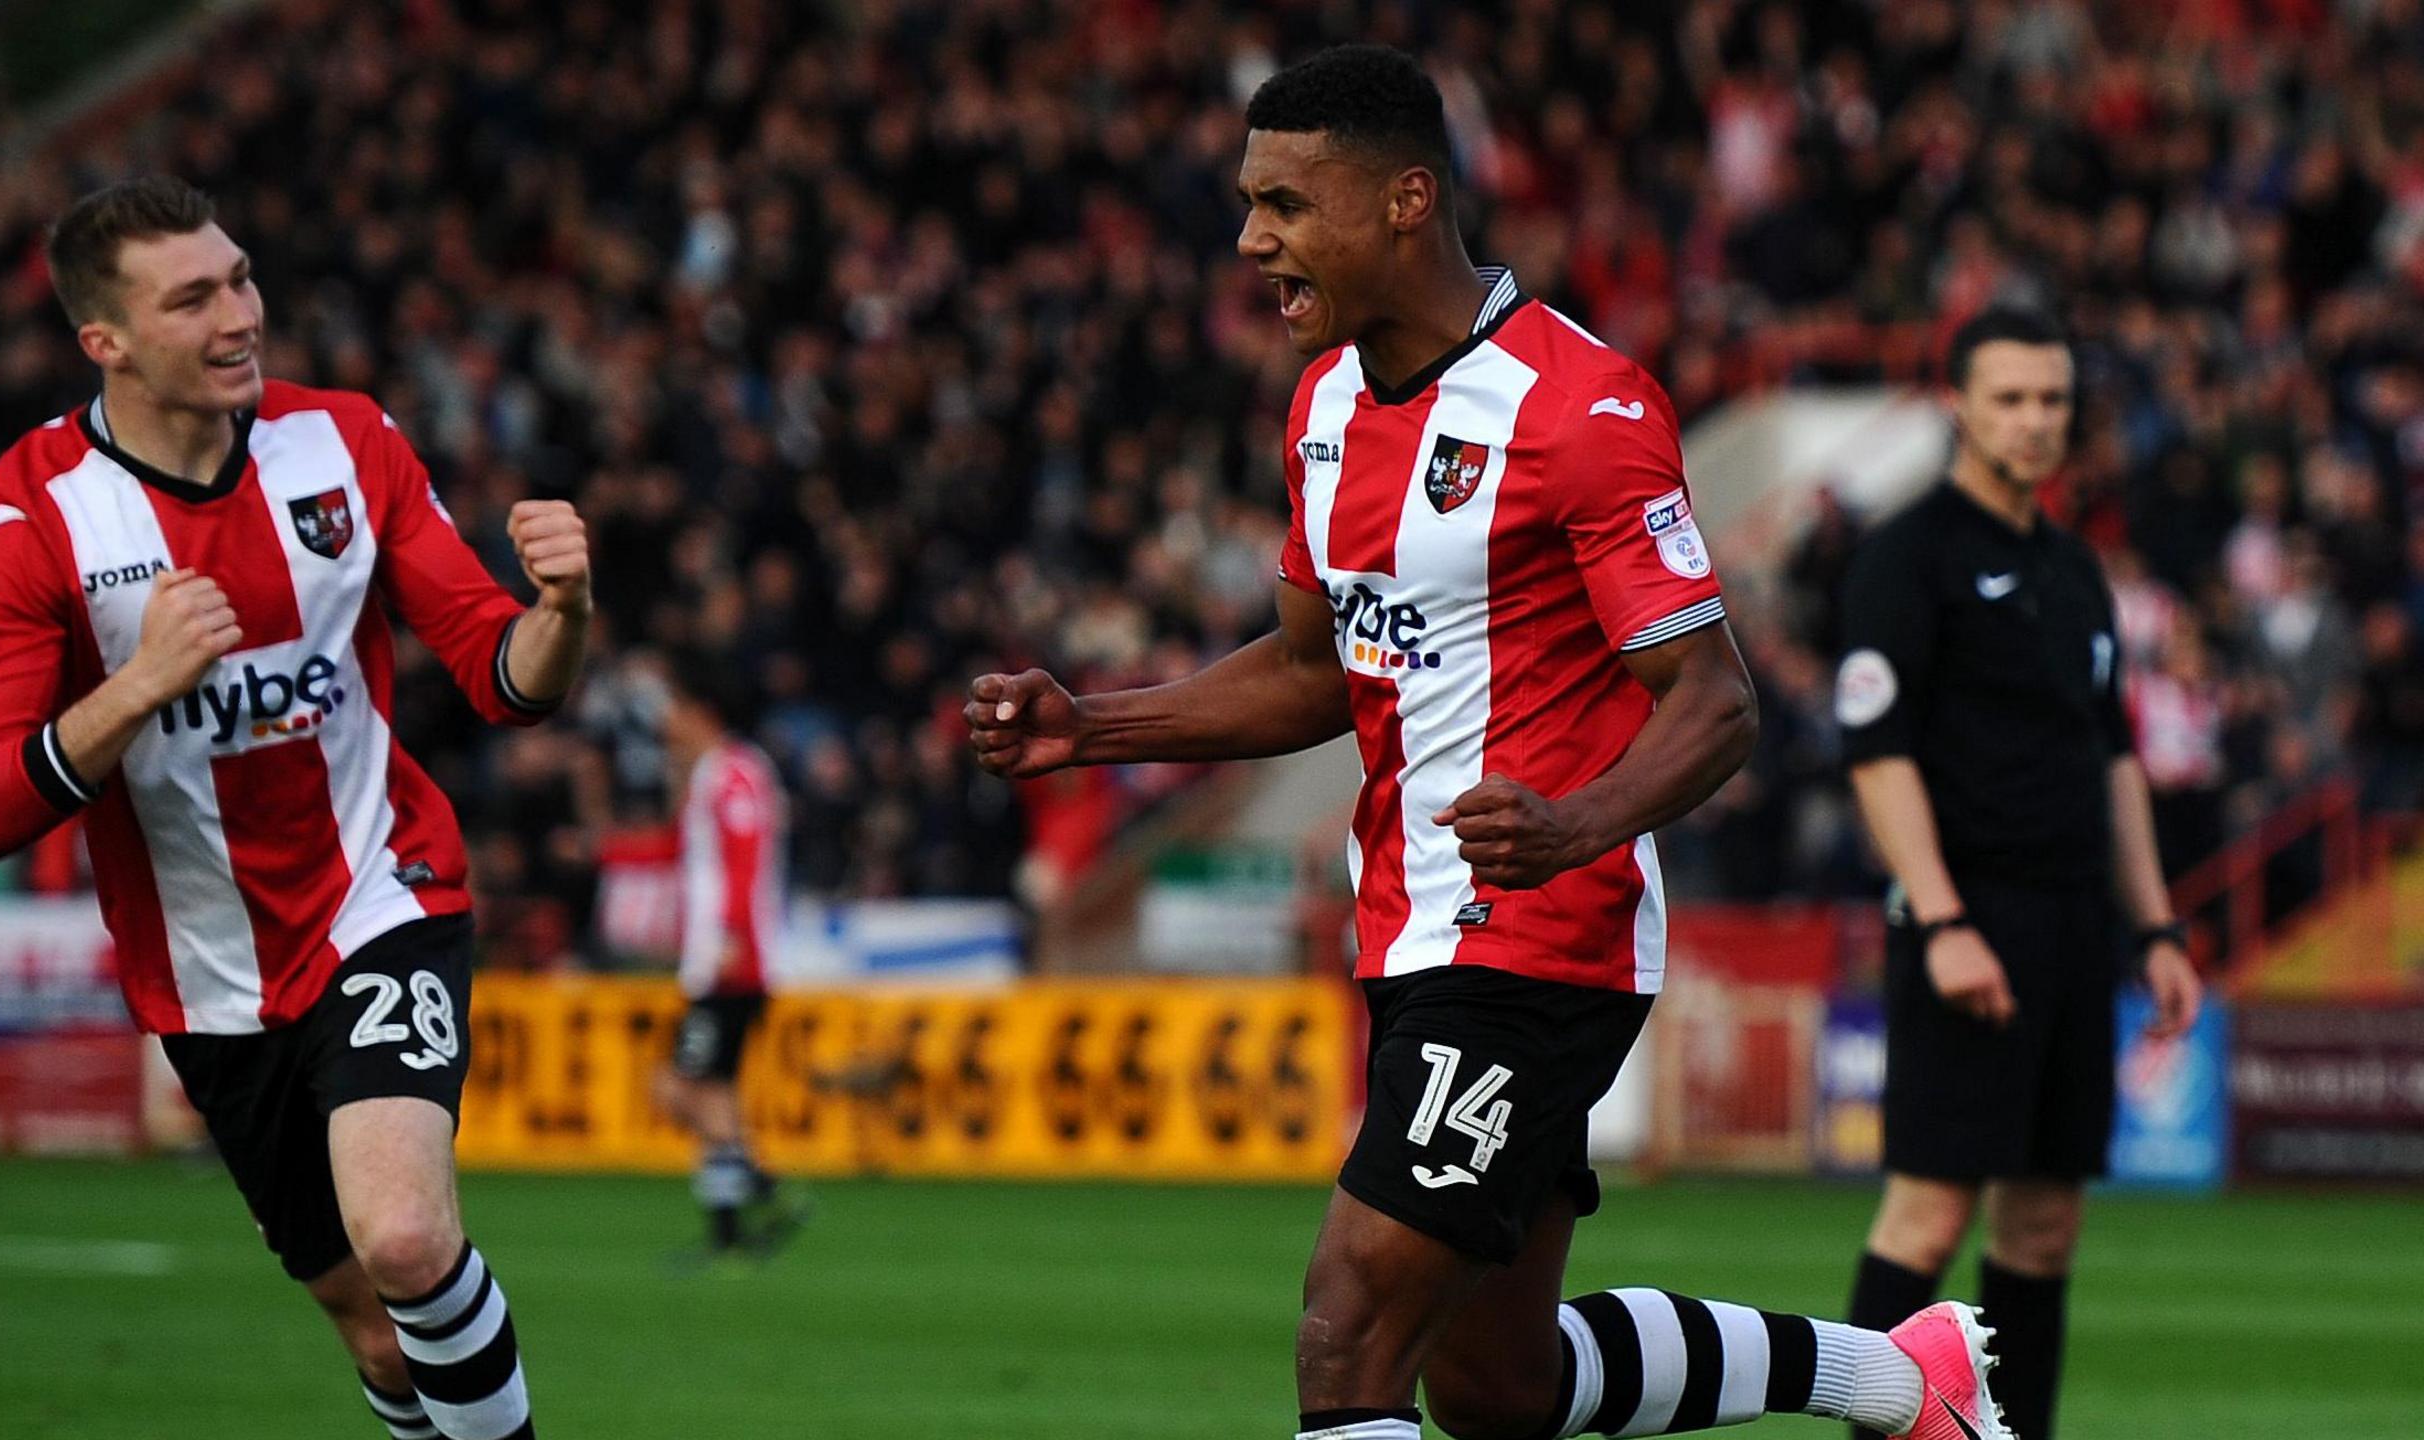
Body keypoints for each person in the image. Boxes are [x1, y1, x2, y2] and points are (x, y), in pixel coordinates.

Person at [966, 45, 2006, 1440]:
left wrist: (1579, 824)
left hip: (1534, 943)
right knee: (1500, 1384)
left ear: (1404, 201)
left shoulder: (1580, 407)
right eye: (1245, 201)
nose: (1249, 238)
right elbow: (1309, 671)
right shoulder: (1323, 408)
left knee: (1347, 1338)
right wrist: (1094, 727)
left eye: (1283, 203)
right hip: (1410, 932)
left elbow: (1716, 700)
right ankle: (1903, 1380)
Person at [0, 176, 590, 1440]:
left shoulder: (344, 440)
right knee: (370, 1327)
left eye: (240, 277)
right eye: (194, 298)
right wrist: (135, 688)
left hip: (377, 894)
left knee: (403, 1238)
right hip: (207, 974)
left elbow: (502, 678)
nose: (240, 314)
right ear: (105, 344)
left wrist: (562, 617)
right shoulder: (33, 510)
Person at [1834, 306, 2205, 1440]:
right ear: (1957, 401)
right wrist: (1941, 919)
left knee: (2044, 1225)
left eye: (2051, 401)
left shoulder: (2073, 569)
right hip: (1966, 918)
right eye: (2009, 398)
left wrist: (2154, 930)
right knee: (1928, 1213)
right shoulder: (1907, 556)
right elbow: (1876, 751)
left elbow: (2116, 759)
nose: (2035, 421)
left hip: (2073, 927)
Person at [659, 655, 800, 1258]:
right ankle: (727, 1232)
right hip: (724, 958)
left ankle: (765, 1183)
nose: (667, 719)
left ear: (702, 712)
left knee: (675, 1089)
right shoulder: (721, 772)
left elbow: (743, 859)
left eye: (676, 706)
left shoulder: (731, 774)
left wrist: (730, 938)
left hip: (731, 962)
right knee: (717, 1093)